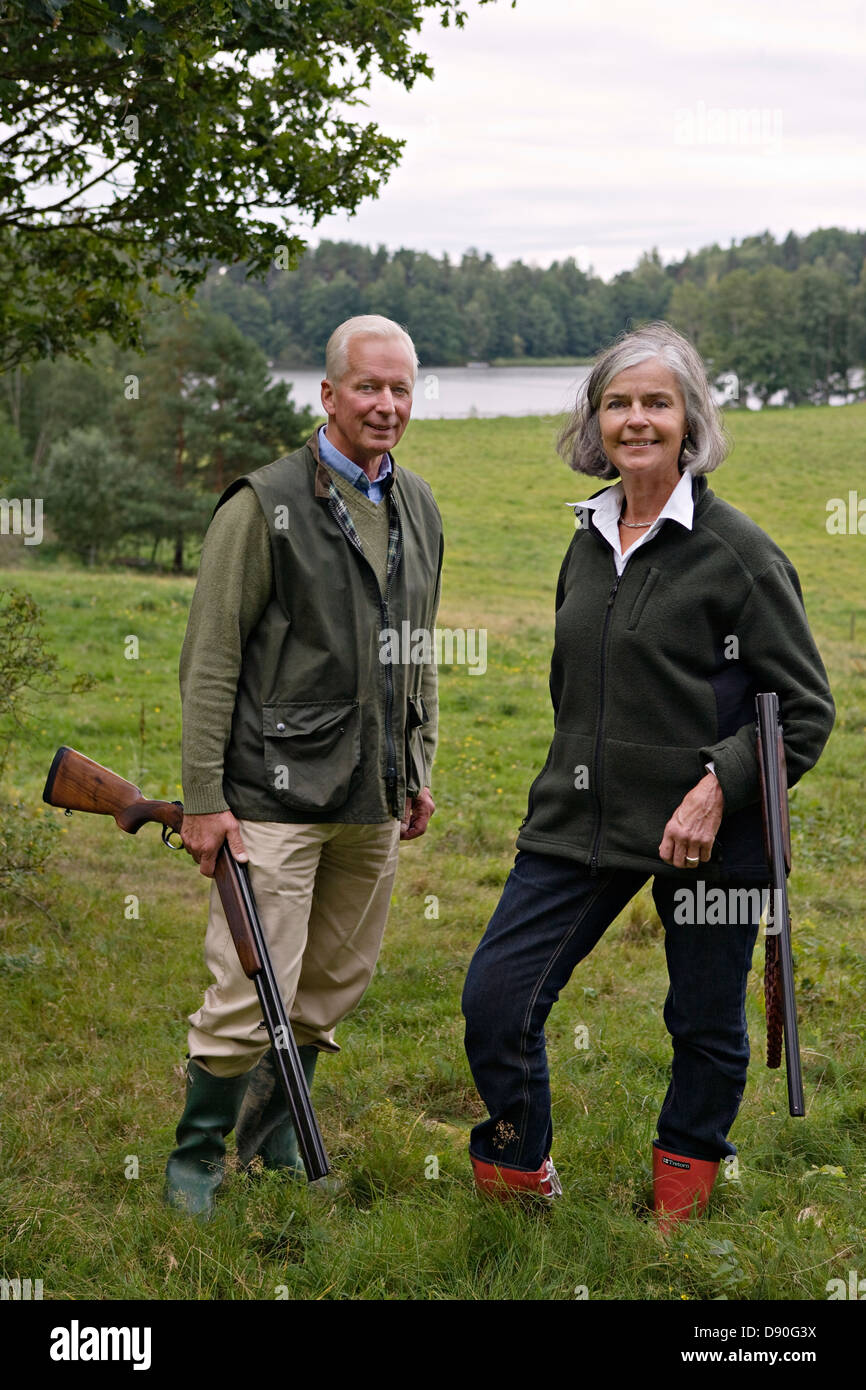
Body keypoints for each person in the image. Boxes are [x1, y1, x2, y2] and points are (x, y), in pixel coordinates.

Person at [461, 321, 834, 1228]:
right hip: (580, 818)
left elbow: (805, 710)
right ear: (595, 420)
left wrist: (717, 786)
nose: (636, 420)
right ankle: (518, 1175)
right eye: (618, 403)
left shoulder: (738, 552)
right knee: (497, 999)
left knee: (704, 1024)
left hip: (710, 834)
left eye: (657, 403)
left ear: (689, 420)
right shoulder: (587, 537)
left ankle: (681, 1207)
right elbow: (572, 682)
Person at [165, 315, 443, 1217]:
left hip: (372, 795)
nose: (386, 404)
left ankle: (273, 1141)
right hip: (272, 798)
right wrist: (203, 799)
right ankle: (196, 1158)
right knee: (250, 993)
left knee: (329, 987)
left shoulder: (419, 506)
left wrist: (417, 765)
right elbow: (211, 658)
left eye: (400, 388)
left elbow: (418, 649)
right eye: (368, 386)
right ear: (328, 393)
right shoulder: (262, 504)